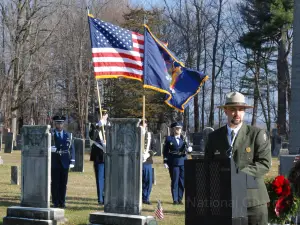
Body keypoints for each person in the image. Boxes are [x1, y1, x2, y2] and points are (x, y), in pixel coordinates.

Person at [204, 92, 271, 225]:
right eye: (233, 109)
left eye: (241, 110)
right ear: (225, 111)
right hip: (226, 201)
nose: (237, 114)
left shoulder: (256, 134)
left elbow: (264, 164)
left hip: (253, 202)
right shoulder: (214, 137)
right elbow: (208, 166)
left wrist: (237, 174)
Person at [163, 121, 192, 205]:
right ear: (173, 129)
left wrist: (189, 150)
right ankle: (175, 199)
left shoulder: (184, 138)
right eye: (176, 128)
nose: (178, 130)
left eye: (179, 128)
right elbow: (165, 151)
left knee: (182, 181)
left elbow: (188, 150)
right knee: (175, 180)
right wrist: (165, 161)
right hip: (174, 162)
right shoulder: (169, 139)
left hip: (183, 161)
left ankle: (180, 198)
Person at [51, 115, 75, 208]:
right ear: (55, 124)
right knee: (55, 183)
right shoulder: (51, 134)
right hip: (55, 161)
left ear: (63, 124)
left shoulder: (68, 134)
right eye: (58, 123)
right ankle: (55, 202)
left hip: (65, 161)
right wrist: (49, 149)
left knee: (63, 183)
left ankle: (62, 201)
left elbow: (72, 148)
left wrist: (72, 161)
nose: (59, 125)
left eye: (61, 123)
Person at [89, 110, 108, 206]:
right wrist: (98, 126)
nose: (102, 116)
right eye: (100, 114)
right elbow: (92, 136)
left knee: (108, 178)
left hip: (109, 155)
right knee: (100, 177)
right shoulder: (94, 125)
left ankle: (108, 197)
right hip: (99, 155)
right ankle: (100, 199)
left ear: (107, 115)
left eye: (104, 114)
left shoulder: (110, 126)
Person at [139, 119, 156, 205]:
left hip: (147, 161)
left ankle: (146, 198)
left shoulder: (150, 135)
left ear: (146, 124)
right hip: (137, 161)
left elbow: (154, 148)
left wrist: (148, 154)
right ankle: (140, 197)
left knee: (148, 181)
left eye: (144, 123)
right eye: (141, 123)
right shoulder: (136, 135)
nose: (143, 125)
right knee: (139, 181)